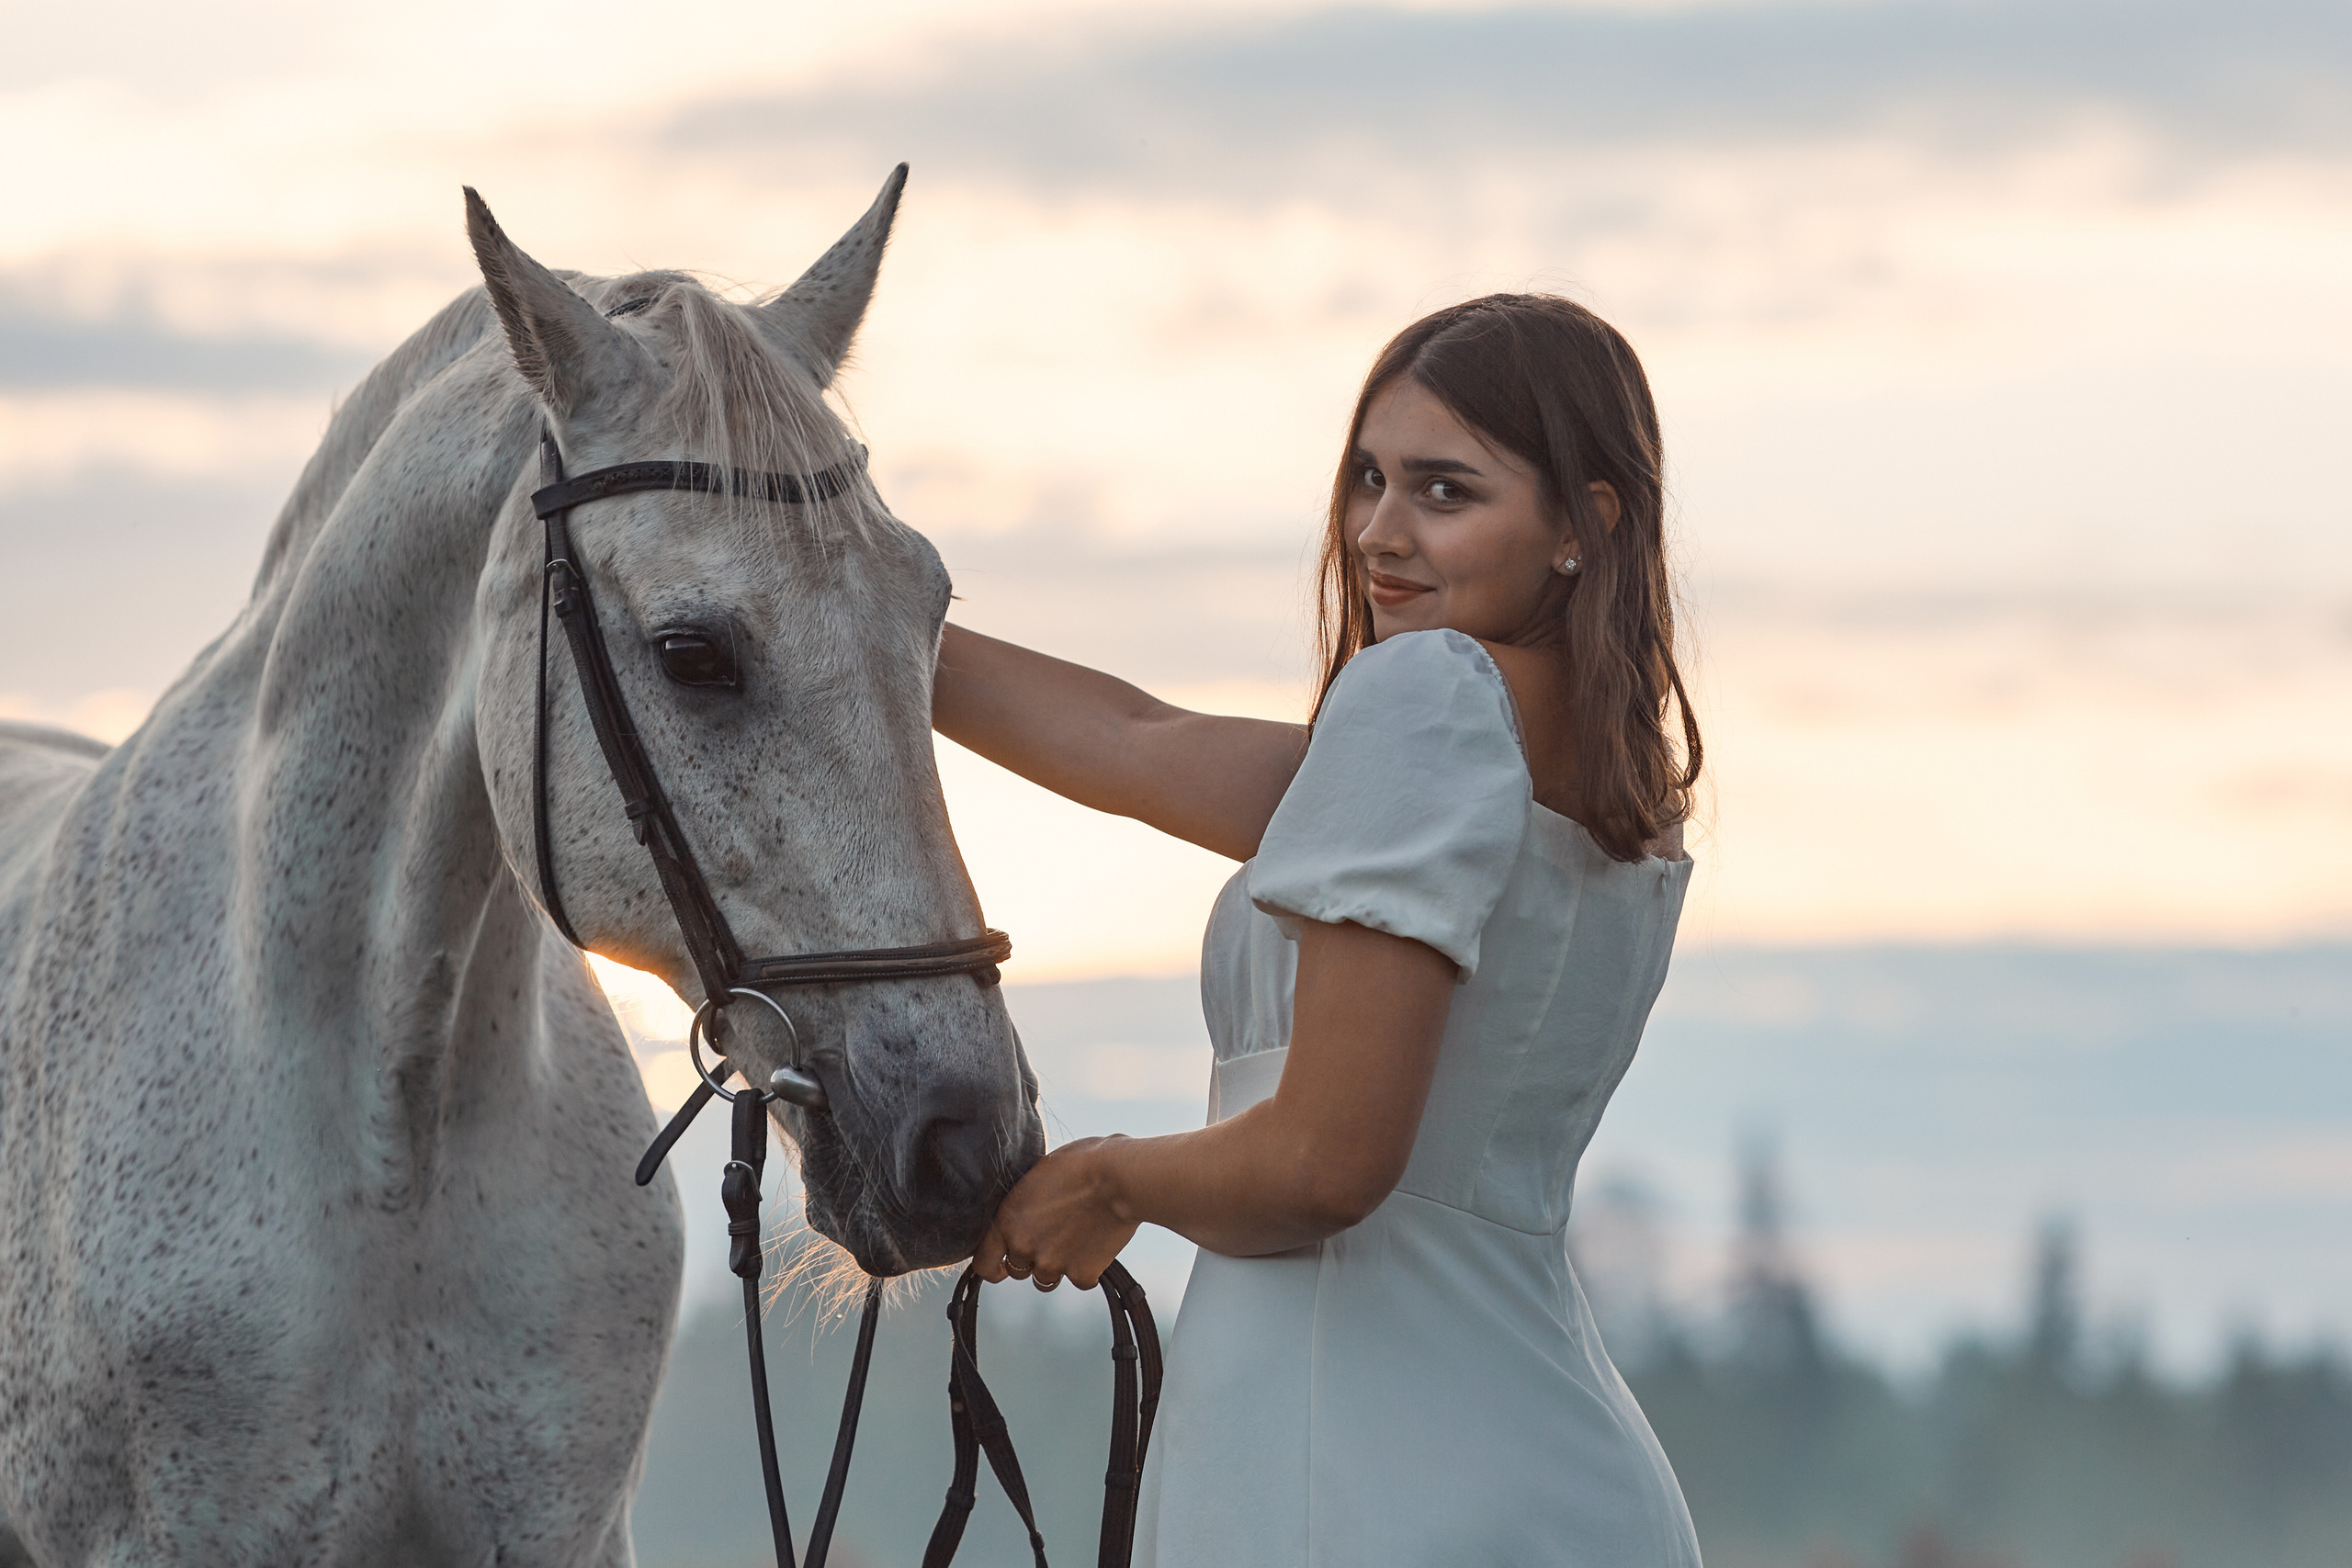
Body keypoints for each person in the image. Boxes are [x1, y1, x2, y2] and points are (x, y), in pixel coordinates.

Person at [933, 294, 1704, 1565]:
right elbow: (1144, 742)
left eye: (1444, 493)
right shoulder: (1607, 786)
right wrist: (855, 620)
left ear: (1584, 523)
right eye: (1367, 479)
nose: (1377, 535)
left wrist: (1112, 1176)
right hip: (1558, 1469)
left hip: (1358, 1472)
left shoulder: (1426, 702)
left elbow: (1327, 1161)